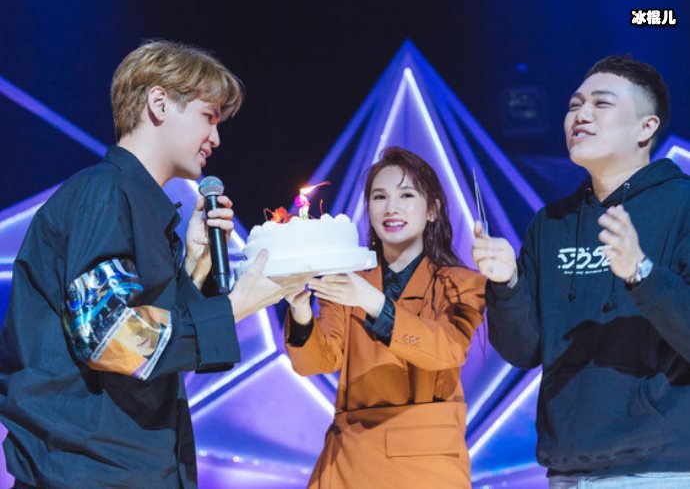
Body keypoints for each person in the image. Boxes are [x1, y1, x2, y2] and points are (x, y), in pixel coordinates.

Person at [0, 40, 300, 488]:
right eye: (208, 116)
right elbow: (109, 337)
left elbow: (155, 341)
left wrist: (195, 266)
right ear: (158, 103)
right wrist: (236, 306)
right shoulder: (103, 195)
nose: (216, 138)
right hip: (87, 472)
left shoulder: (139, 207)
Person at [473, 54, 690, 487]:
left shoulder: (682, 205)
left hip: (660, 469)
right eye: (574, 105)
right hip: (567, 471)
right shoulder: (550, 223)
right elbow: (523, 351)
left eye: (601, 104)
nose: (581, 115)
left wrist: (641, 272)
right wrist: (507, 284)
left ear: (646, 128)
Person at [285, 147, 486, 489]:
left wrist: (373, 302)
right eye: (379, 197)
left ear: (433, 209)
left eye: (406, 195)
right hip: (349, 463)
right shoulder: (347, 281)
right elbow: (316, 362)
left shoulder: (461, 284)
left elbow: (447, 349)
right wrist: (300, 310)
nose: (391, 208)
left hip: (425, 466)